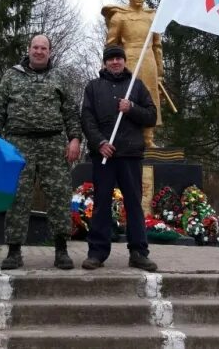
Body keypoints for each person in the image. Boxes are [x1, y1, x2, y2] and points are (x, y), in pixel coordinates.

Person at [0, 34, 83, 270]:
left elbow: (70, 111)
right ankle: (14, 251)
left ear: (50, 52)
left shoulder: (60, 76)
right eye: (35, 47)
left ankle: (61, 250)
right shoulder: (12, 75)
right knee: (18, 197)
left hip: (53, 145)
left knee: (59, 197)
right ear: (29, 49)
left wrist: (75, 139)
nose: (39, 51)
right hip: (18, 144)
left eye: (44, 48)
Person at [80, 45, 158, 272]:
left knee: (134, 203)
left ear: (124, 61)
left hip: (131, 156)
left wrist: (131, 107)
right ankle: (96, 253)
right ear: (104, 63)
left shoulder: (137, 86)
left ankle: (138, 253)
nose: (115, 62)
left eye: (119, 58)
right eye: (111, 59)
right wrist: (100, 143)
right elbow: (87, 119)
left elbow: (151, 116)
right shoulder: (93, 88)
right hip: (104, 155)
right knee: (101, 204)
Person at [101, 0, 164, 148]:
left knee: (150, 96)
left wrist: (160, 71)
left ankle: (149, 138)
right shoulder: (120, 17)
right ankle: (128, 135)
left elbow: (157, 45)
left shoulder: (152, 17)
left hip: (148, 59)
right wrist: (105, 68)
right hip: (128, 59)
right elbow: (111, 44)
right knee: (128, 95)